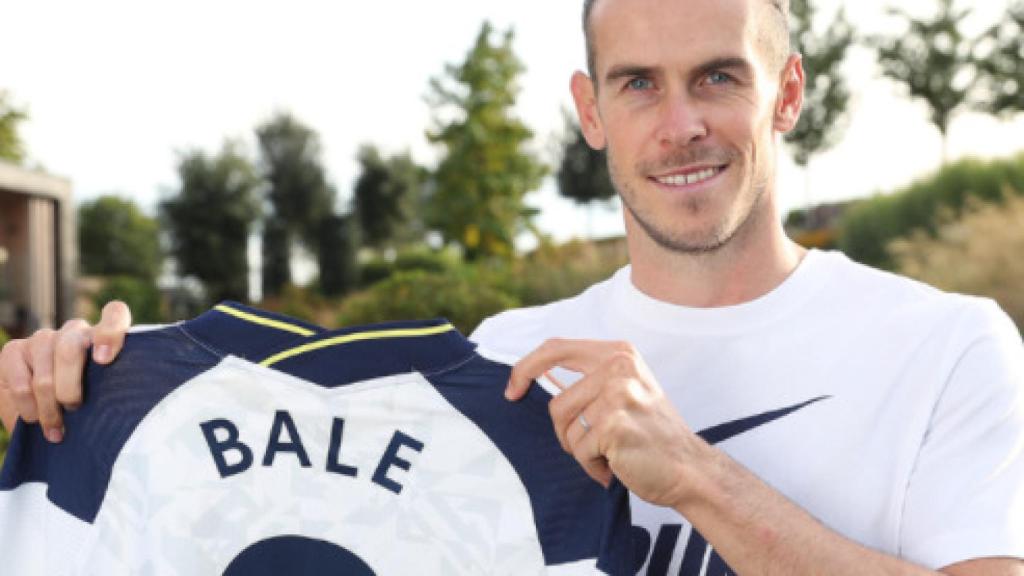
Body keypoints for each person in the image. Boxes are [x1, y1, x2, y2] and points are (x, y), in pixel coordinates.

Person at [1, 0, 1022, 573]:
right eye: (638, 84)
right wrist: (73, 399)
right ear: (589, 111)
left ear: (786, 93)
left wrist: (701, 482)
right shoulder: (503, 360)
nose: (680, 126)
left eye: (717, 76)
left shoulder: (948, 346)